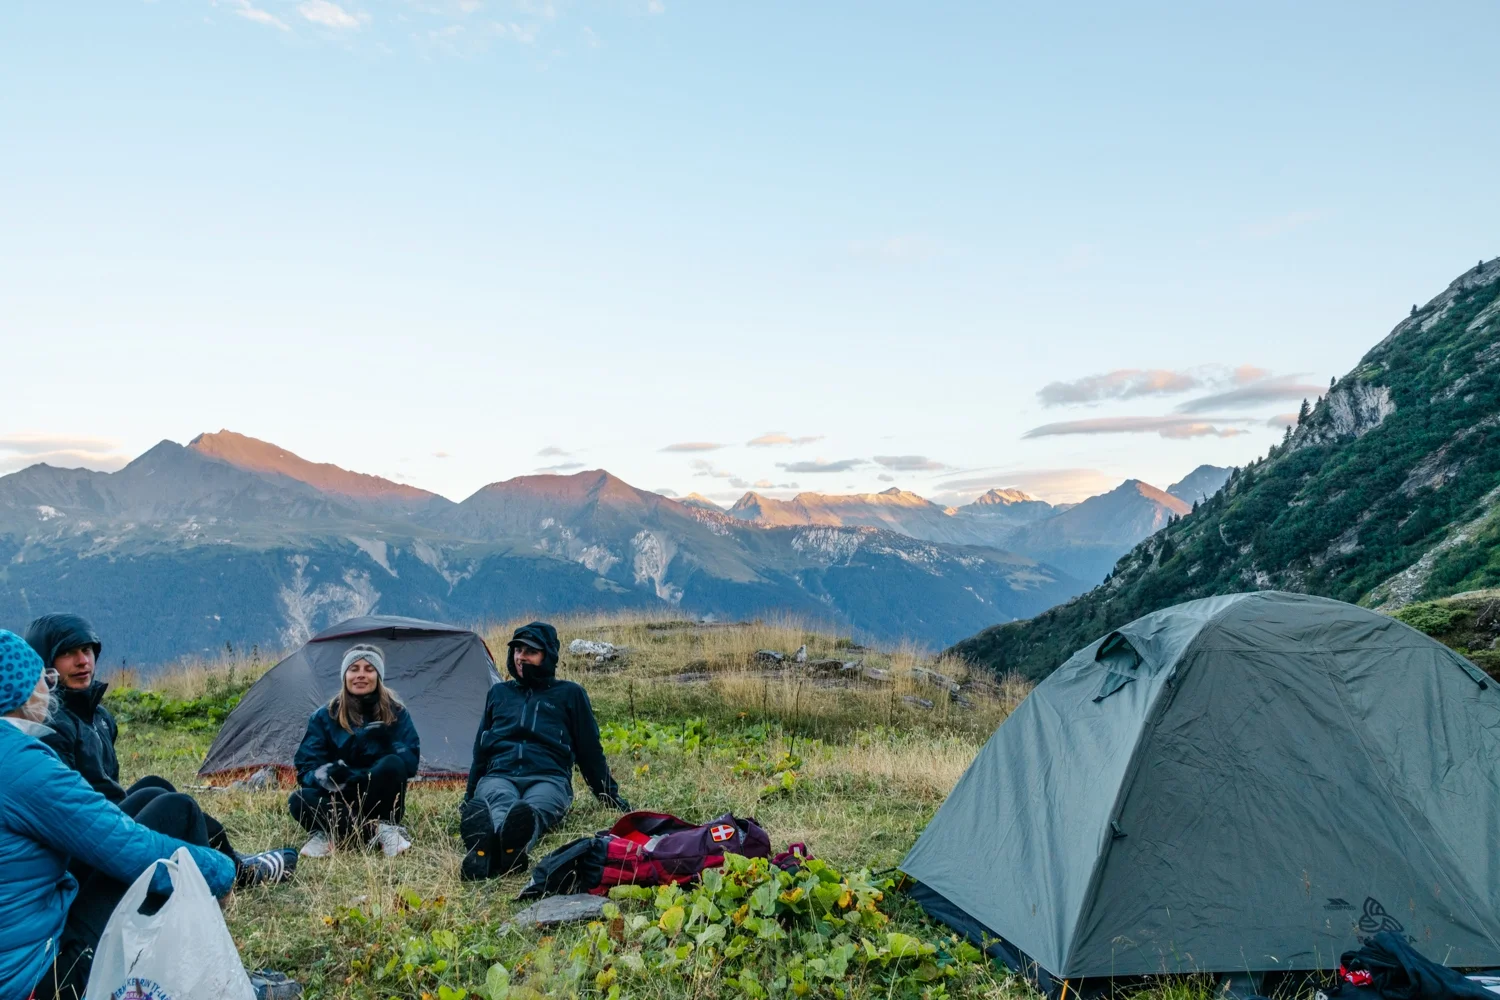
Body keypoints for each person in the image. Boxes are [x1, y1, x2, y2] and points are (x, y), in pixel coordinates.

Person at [0, 628, 237, 1000]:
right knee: (176, 812)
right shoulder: (20, 766)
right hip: (36, 983)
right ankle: (210, 979)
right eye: (43, 679)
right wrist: (220, 872)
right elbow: (132, 849)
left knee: (150, 796)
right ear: (20, 692)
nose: (48, 689)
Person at [24, 613, 295, 888]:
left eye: (86, 650)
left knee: (155, 784)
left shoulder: (99, 716)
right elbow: (66, 814)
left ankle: (227, 859)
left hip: (105, 819)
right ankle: (229, 876)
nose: (83, 661)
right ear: (45, 662)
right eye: (68, 653)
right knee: (177, 805)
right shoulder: (51, 727)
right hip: (89, 843)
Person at [459, 621, 629, 881]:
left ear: (547, 655)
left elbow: (589, 752)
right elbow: (481, 750)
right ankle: (496, 850)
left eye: (530, 652)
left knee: (529, 811)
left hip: (549, 778)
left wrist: (610, 796)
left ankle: (498, 851)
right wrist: (470, 797)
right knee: (499, 804)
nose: (521, 658)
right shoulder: (498, 694)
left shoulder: (570, 694)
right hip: (499, 775)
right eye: (517, 650)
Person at [288, 644, 420, 858]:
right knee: (299, 799)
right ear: (345, 675)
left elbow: (411, 764)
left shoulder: (396, 713)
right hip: (338, 796)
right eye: (354, 668)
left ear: (378, 676)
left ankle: (378, 828)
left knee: (392, 764)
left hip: (378, 796)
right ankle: (366, 831)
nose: (360, 675)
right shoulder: (324, 716)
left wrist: (391, 743)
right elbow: (306, 768)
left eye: (369, 669)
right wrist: (324, 775)